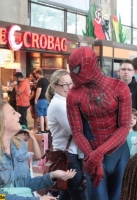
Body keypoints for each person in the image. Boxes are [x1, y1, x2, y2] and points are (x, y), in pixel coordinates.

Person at [67, 47, 132, 200]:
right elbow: (77, 132)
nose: (72, 75)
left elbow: (124, 127)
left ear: (90, 65)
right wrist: (94, 156)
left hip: (117, 153)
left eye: (76, 70)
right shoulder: (73, 95)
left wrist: (96, 154)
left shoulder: (120, 88)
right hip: (94, 154)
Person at [0, 101, 76, 199]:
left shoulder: (19, 146)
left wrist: (52, 175)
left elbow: (25, 184)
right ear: (1, 121)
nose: (19, 115)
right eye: (13, 112)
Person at [46, 69, 88, 200]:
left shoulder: (67, 101)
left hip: (72, 153)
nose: (69, 87)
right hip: (67, 156)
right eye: (64, 84)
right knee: (80, 194)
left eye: (71, 83)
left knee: (68, 193)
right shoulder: (58, 105)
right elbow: (76, 130)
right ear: (54, 86)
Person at [118, 59, 137, 128]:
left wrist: (132, 122)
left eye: (129, 70)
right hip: (115, 128)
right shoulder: (113, 87)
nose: (126, 72)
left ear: (133, 72)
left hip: (132, 128)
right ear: (119, 71)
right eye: (123, 69)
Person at [34, 68, 50, 133]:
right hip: (46, 99)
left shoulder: (40, 80)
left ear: (38, 73)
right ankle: (47, 128)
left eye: (35, 74)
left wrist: (35, 99)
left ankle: (42, 129)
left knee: (40, 115)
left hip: (40, 99)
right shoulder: (47, 80)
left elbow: (39, 90)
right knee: (45, 114)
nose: (35, 75)